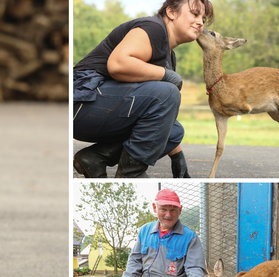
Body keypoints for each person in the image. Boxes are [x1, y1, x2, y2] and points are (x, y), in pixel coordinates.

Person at [73, 0, 214, 178]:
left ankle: (94, 158)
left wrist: (177, 157)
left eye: (203, 18)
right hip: (80, 102)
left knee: (174, 131)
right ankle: (131, 175)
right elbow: (117, 64)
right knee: (167, 93)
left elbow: (160, 116)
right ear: (171, 12)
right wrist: (168, 76)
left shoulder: (169, 55)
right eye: (195, 14)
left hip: (99, 110)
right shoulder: (153, 28)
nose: (200, 22)